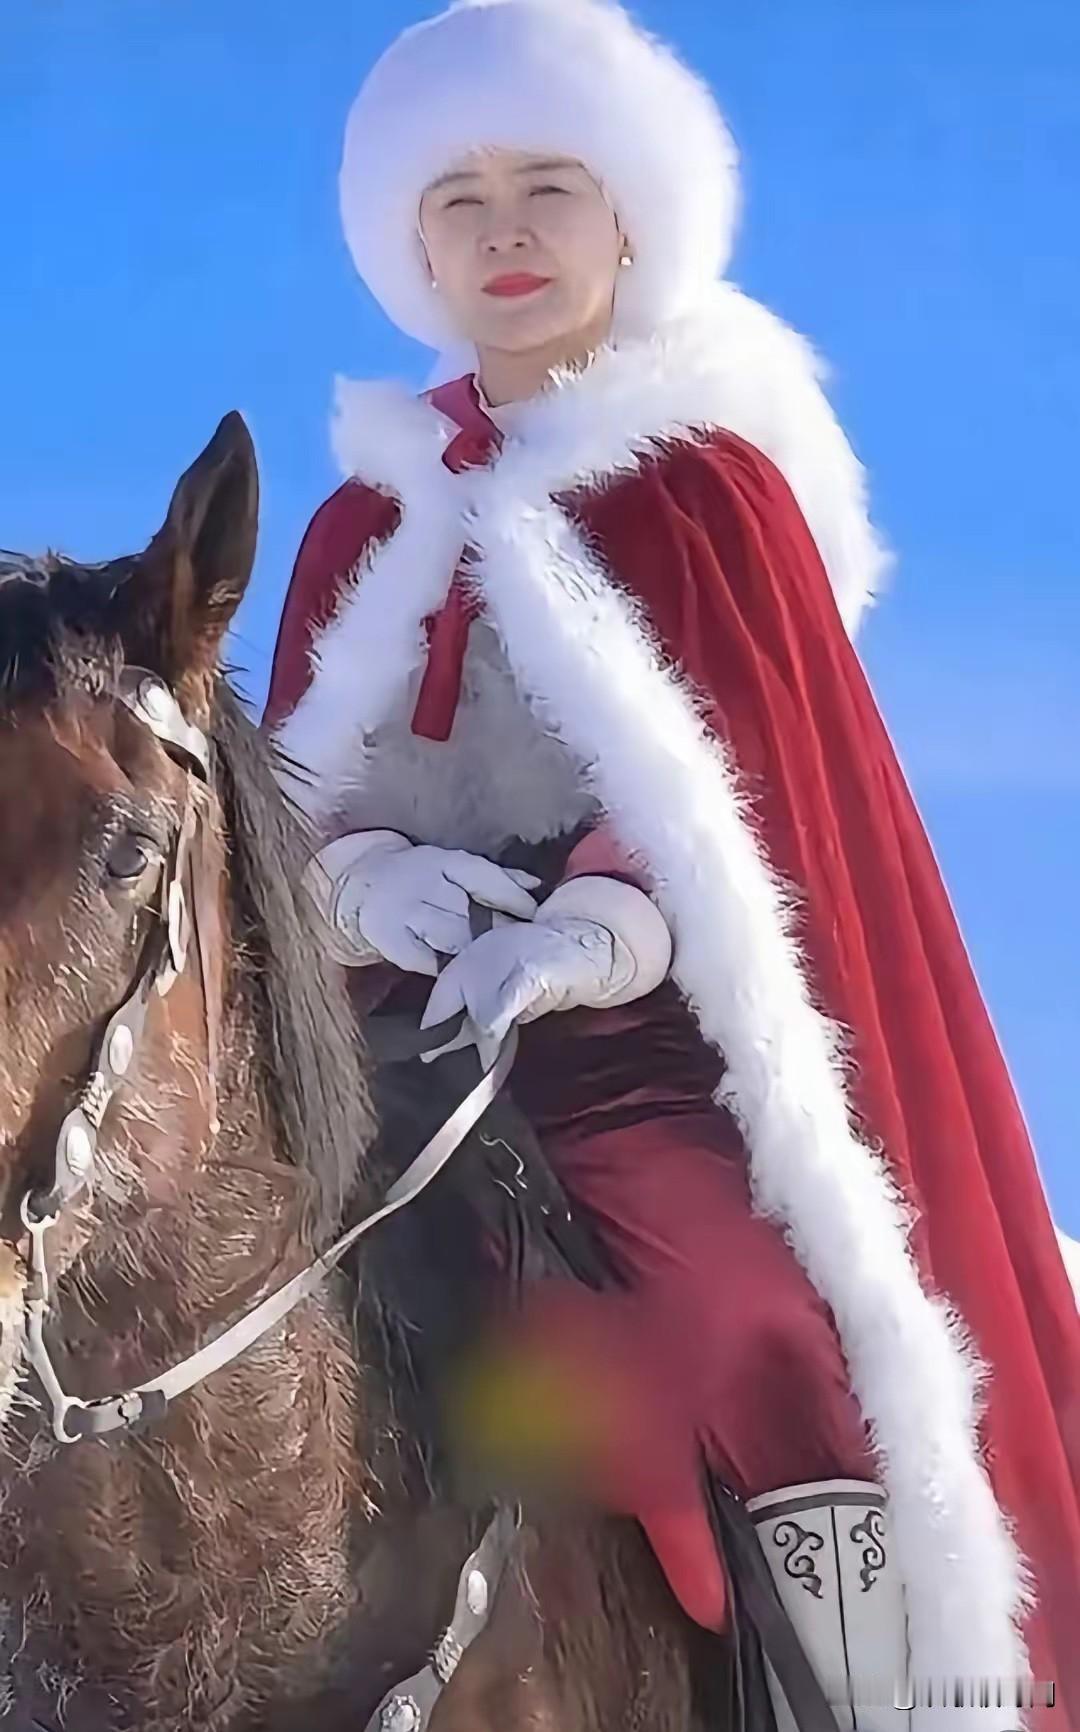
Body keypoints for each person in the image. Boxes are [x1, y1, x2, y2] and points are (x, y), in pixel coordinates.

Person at [262, 2, 1080, 1725]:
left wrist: (595, 935)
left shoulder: (705, 489)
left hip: (659, 1066)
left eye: (547, 184)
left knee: (748, 1307)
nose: (503, 231)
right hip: (393, 1062)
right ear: (410, 241)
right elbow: (289, 811)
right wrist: (357, 892)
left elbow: (761, 808)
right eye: (460, 198)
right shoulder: (364, 518)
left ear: (629, 213)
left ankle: (882, 1701)